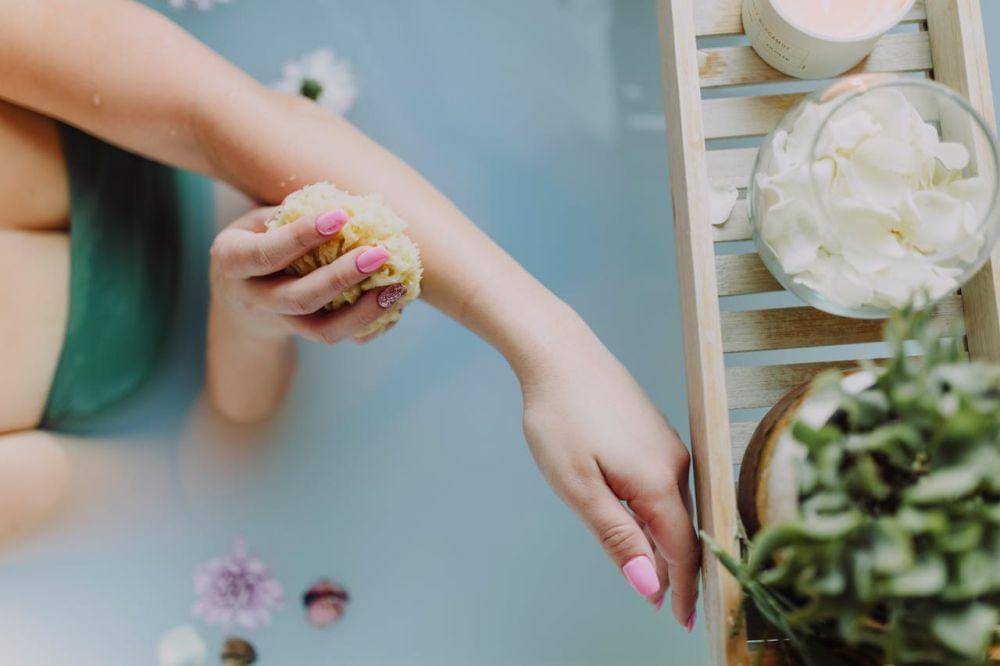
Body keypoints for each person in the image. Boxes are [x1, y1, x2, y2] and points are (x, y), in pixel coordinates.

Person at [0, 0, 698, 630]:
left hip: (356, 101)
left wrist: (553, 349)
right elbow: (198, 486)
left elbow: (224, 115)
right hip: (337, 392)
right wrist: (248, 323)